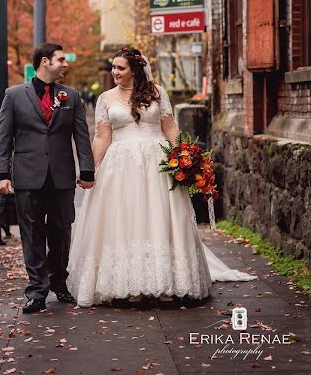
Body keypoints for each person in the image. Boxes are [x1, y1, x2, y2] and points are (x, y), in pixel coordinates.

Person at [67, 47, 256, 307]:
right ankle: (128, 283)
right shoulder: (106, 98)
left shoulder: (157, 93)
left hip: (157, 163)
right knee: (125, 219)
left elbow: (170, 127)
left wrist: (187, 156)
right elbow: (102, 136)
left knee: (160, 216)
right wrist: (91, 168)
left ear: (135, 69)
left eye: (120, 68)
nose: (115, 72)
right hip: (120, 166)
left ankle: (167, 281)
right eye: (113, 67)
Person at [0, 43, 95, 314]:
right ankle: (37, 291)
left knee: (62, 231)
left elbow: (81, 137)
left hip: (61, 177)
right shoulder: (14, 95)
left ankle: (59, 282)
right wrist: (2, 174)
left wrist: (87, 170)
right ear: (44, 62)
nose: (66, 64)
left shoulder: (71, 96)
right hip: (27, 177)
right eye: (61, 60)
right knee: (32, 233)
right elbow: (4, 138)